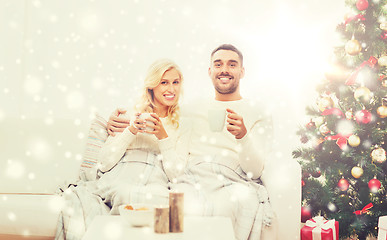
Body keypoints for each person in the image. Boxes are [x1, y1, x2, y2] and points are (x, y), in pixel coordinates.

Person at [107, 44, 277, 240]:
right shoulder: (190, 109)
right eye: (218, 64)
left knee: (238, 202)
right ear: (210, 71)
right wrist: (117, 120)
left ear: (242, 71)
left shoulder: (258, 112)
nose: (224, 69)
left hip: (233, 177)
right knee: (175, 207)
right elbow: (158, 108)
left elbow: (254, 171)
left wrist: (242, 136)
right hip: (192, 176)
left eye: (232, 64)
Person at [55, 59, 191, 240]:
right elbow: (104, 163)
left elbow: (176, 174)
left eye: (176, 82)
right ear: (152, 86)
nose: (171, 89)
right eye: (164, 82)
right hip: (124, 174)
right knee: (125, 192)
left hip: (155, 179)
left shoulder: (183, 124)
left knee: (166, 202)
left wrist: (162, 136)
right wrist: (131, 130)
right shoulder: (128, 115)